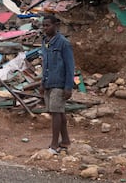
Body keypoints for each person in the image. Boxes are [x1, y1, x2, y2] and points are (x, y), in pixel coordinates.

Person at [39, 15, 75, 155]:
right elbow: (45, 64)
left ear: (56, 25)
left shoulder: (63, 43)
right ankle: (65, 140)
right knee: (59, 112)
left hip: (59, 83)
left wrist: (68, 87)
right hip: (49, 82)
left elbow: (70, 66)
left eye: (48, 25)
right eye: (43, 25)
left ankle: (54, 144)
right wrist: (42, 83)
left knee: (56, 113)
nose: (45, 28)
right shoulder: (45, 42)